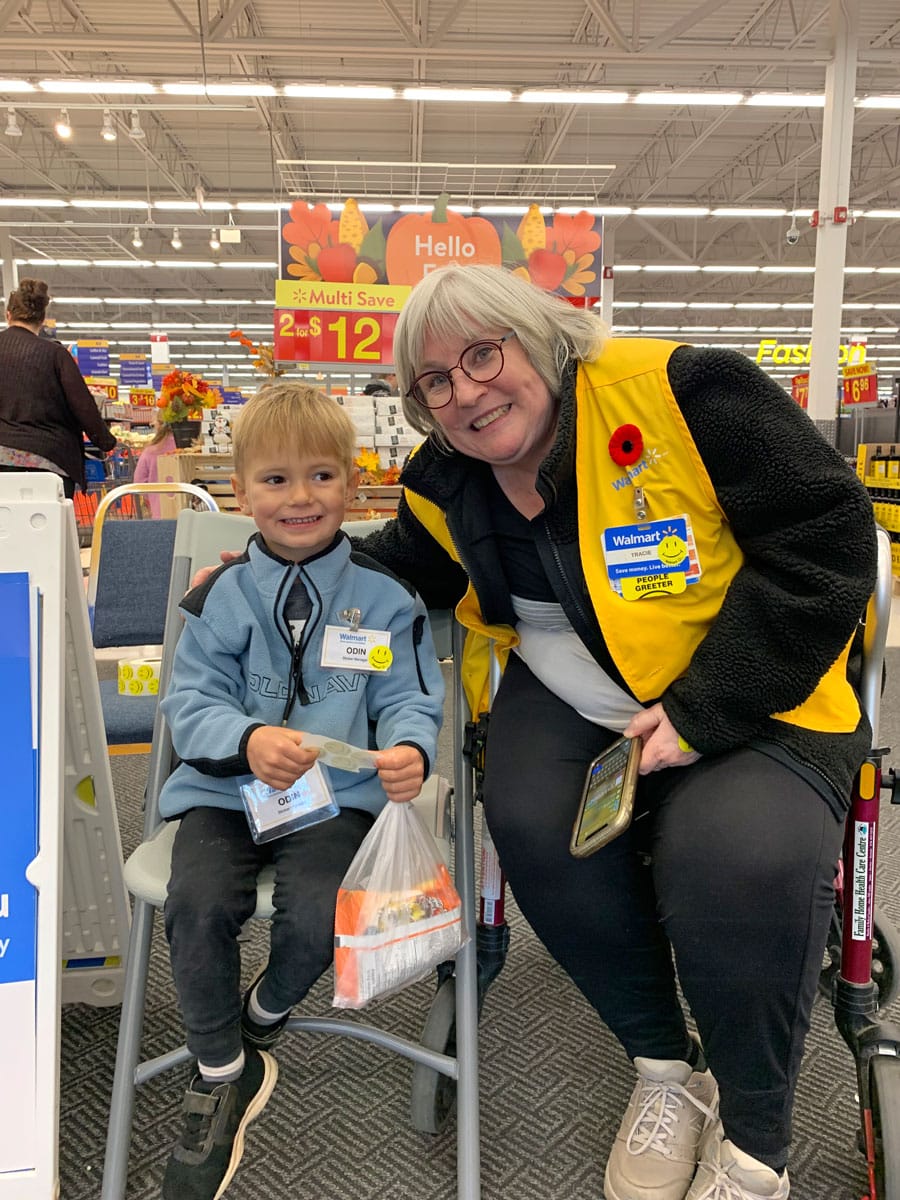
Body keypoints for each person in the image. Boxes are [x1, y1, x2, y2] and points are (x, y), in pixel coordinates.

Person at [197, 265, 876, 1200]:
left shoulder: (685, 393)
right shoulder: (450, 483)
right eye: (436, 381)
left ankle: (755, 1142)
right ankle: (663, 1066)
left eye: (485, 353)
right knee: (529, 819)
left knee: (738, 858)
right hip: (572, 697)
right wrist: (270, 572)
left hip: (750, 691)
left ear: (543, 338)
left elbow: (829, 539)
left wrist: (703, 708)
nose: (467, 390)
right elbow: (405, 568)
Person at [158, 381, 445, 1200]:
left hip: (336, 799)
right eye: (276, 480)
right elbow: (188, 704)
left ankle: (264, 1015)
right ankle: (221, 1068)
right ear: (240, 491)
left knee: (322, 913)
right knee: (197, 900)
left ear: (353, 487)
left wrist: (407, 750)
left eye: (322, 476)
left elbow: (407, 699)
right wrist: (244, 739)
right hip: (223, 793)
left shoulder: (386, 601)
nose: (300, 498)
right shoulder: (218, 599)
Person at [0, 277, 116, 498]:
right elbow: (83, 406)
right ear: (42, 320)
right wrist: (105, 441)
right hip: (49, 460)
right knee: (50, 528)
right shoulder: (55, 354)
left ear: (8, 315)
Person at [132, 417, 176, 517]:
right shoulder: (189, 448)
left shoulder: (150, 451)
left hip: (160, 512)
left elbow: (139, 482)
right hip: (191, 514)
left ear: (158, 425)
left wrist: (153, 497)